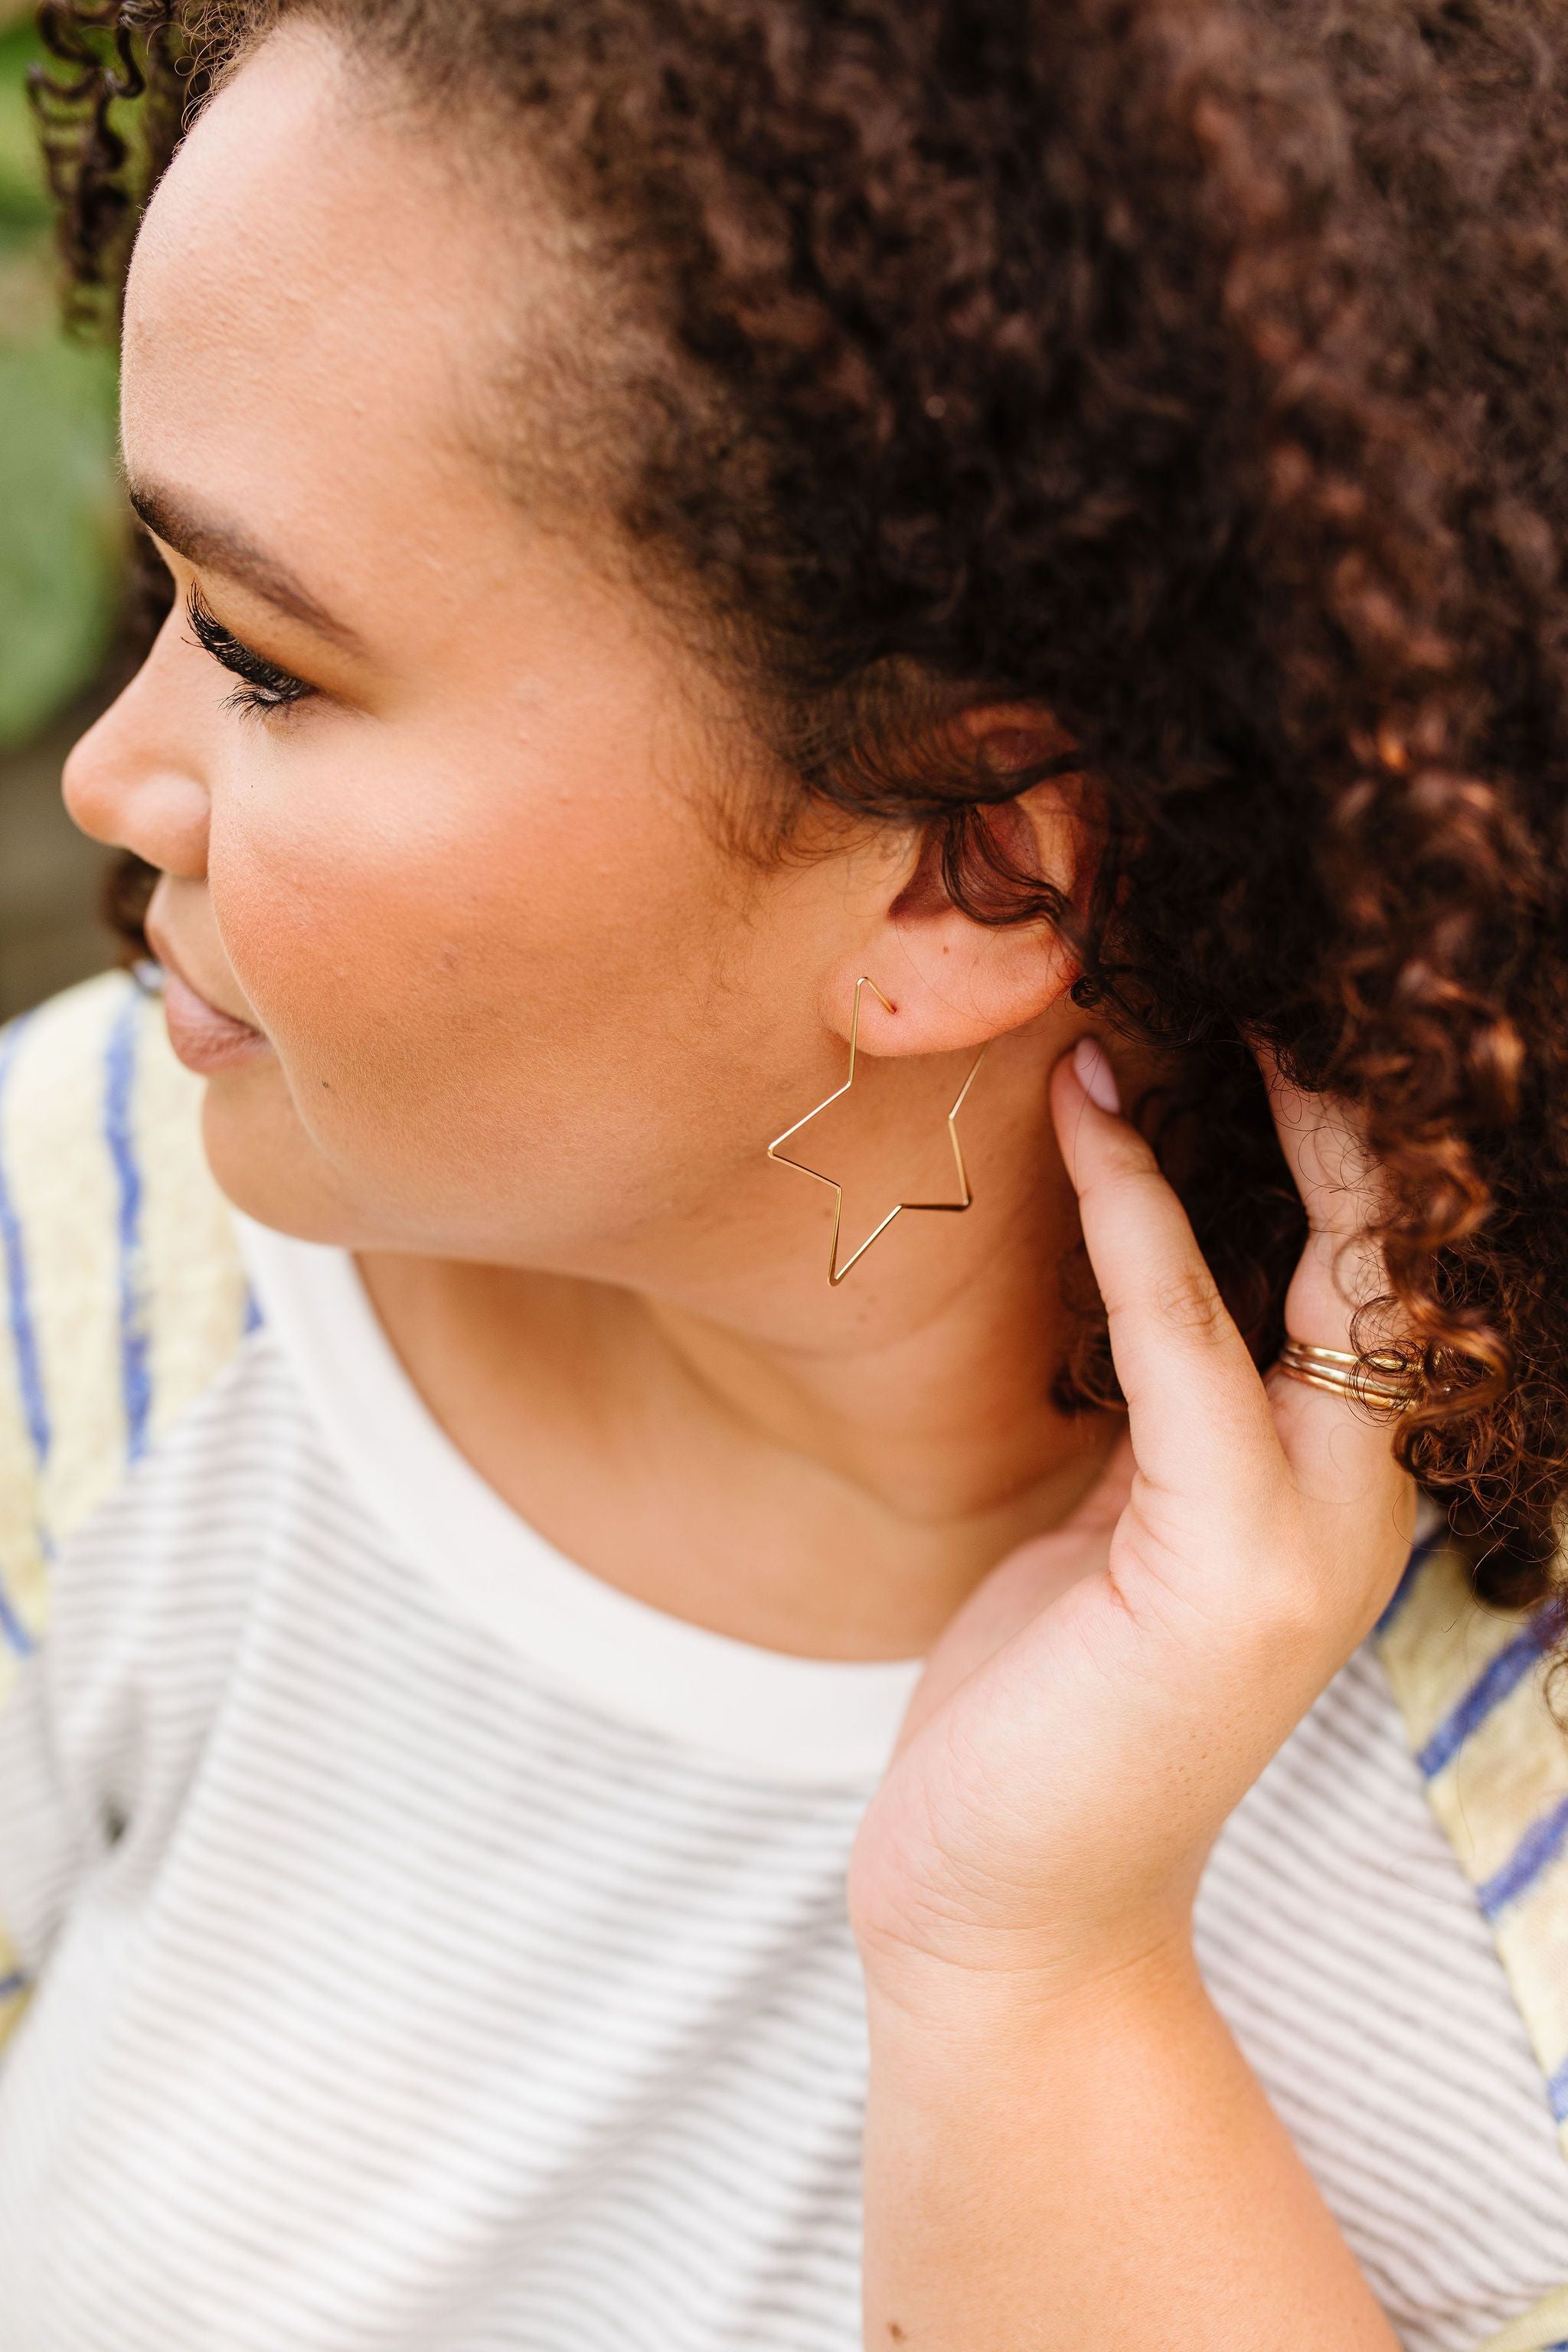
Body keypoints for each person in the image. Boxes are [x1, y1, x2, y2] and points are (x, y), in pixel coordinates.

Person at [1, 0, 1566, 2344]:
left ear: (960, 881)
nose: (109, 776)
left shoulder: (1500, 1863)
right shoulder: (97, 1263)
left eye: (259, 656)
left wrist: (1035, 1974)